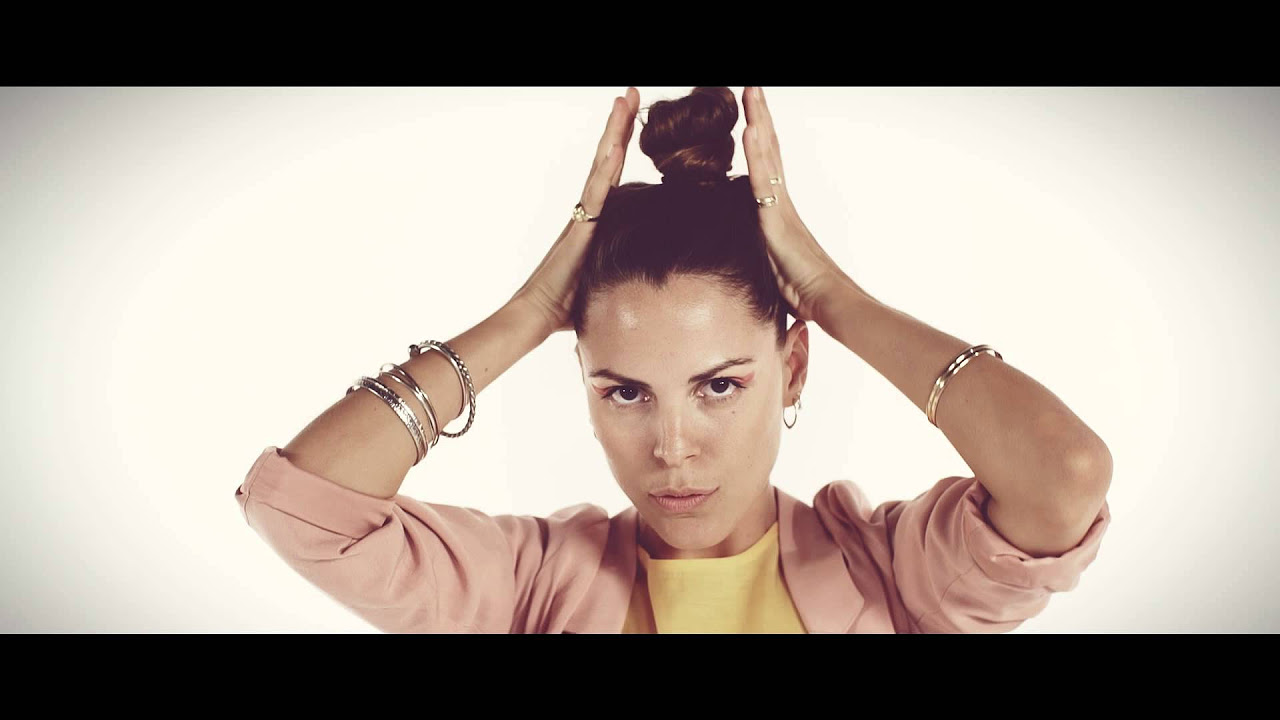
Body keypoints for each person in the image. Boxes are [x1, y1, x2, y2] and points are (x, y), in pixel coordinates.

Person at [233, 86, 1113, 633]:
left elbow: (1064, 475)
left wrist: (832, 294)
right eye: (625, 393)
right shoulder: (527, 587)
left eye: (719, 385)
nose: (672, 447)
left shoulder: (892, 574)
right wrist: (529, 313)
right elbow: (303, 506)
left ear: (793, 368)